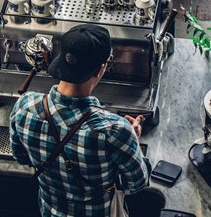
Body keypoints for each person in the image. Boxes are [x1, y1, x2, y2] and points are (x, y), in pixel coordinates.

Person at [9, 24, 153, 216]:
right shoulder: (115, 130)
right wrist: (131, 140)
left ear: (60, 59)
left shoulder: (24, 107)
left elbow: (21, 157)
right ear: (101, 68)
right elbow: (136, 184)